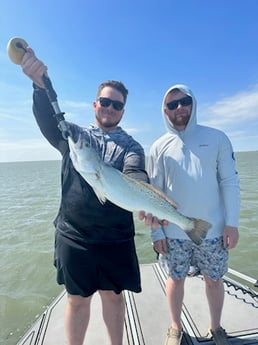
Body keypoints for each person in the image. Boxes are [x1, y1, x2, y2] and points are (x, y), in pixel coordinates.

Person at [20, 47, 158, 345]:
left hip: (115, 237)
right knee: (77, 300)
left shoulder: (132, 147)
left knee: (113, 297)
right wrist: (40, 83)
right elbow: (48, 117)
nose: (109, 108)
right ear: (95, 104)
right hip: (74, 235)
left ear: (123, 111)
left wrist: (144, 200)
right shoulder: (73, 136)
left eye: (116, 105)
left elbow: (135, 175)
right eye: (105, 102)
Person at [147, 84, 240, 345]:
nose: (179, 108)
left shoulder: (218, 138)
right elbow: (153, 194)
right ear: (164, 110)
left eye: (184, 101)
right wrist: (157, 231)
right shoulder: (158, 146)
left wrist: (231, 224)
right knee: (175, 280)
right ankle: (175, 327)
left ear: (193, 103)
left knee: (214, 280)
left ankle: (217, 327)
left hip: (213, 230)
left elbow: (230, 182)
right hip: (173, 232)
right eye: (171, 105)